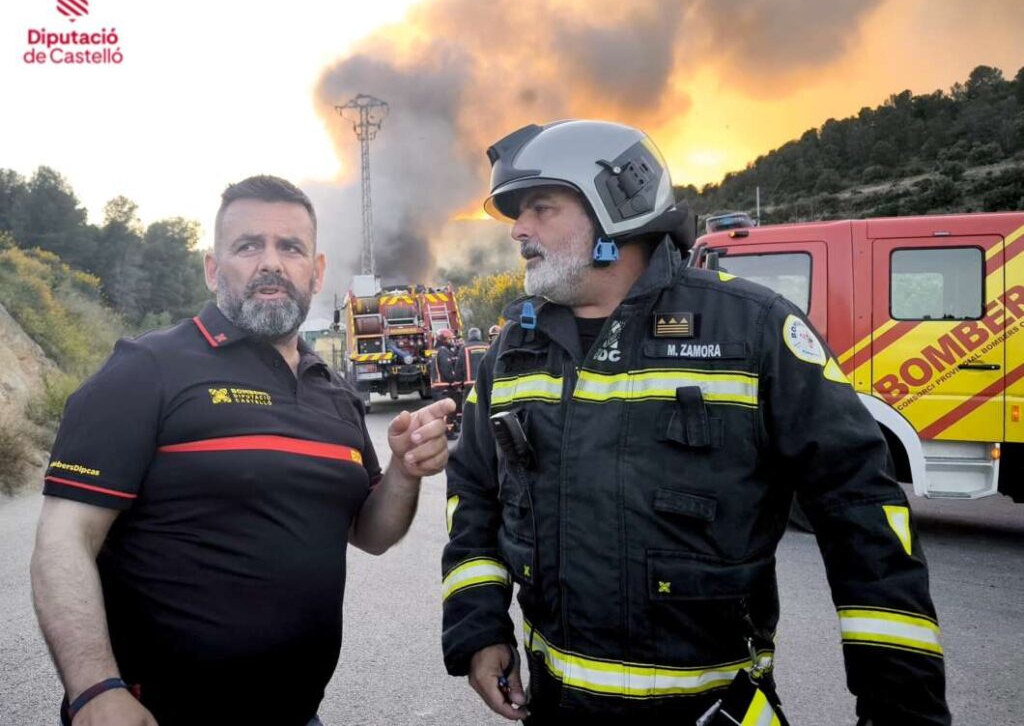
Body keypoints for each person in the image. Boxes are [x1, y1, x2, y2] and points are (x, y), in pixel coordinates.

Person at [441, 121, 949, 725]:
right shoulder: (512, 350)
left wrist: (901, 708)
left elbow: (862, 517)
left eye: (542, 208)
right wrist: (478, 628)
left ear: (617, 206)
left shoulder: (754, 331)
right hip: (557, 708)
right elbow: (473, 493)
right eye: (518, 214)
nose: (519, 230)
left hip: (714, 712)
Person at [30, 175, 454, 726]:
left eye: (290, 247)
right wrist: (93, 691)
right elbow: (64, 539)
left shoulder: (335, 393)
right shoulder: (146, 369)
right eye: (248, 245)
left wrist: (404, 469)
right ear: (213, 268)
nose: (271, 262)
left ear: (316, 271)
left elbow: (370, 533)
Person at [435, 328, 462, 438]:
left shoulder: (441, 350)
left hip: (442, 386)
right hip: (444, 386)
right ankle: (448, 433)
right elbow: (446, 370)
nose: (452, 341)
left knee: (450, 410)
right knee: (447, 411)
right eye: (450, 339)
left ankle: (452, 428)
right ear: (444, 340)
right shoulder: (443, 351)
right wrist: (454, 380)